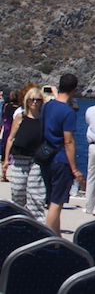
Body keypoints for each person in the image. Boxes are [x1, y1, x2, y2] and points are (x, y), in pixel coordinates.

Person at [41, 74, 86, 233]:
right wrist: (75, 169)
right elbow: (69, 142)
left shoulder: (46, 106)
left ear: (59, 86)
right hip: (60, 159)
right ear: (74, 90)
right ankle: (47, 237)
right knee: (57, 203)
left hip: (46, 157)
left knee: (51, 199)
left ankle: (56, 237)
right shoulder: (68, 112)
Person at [3, 87, 46, 220]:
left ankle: (37, 221)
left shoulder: (44, 119)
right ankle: (17, 218)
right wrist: (6, 160)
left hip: (36, 160)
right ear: (27, 101)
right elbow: (11, 138)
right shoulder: (20, 117)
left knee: (35, 192)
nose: (34, 102)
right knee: (17, 190)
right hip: (20, 158)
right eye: (31, 99)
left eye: (38, 100)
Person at [1, 89, 23, 182]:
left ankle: (4, 173)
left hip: (6, 128)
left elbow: (3, 117)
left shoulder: (6, 106)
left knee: (5, 149)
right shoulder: (19, 110)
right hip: (14, 128)